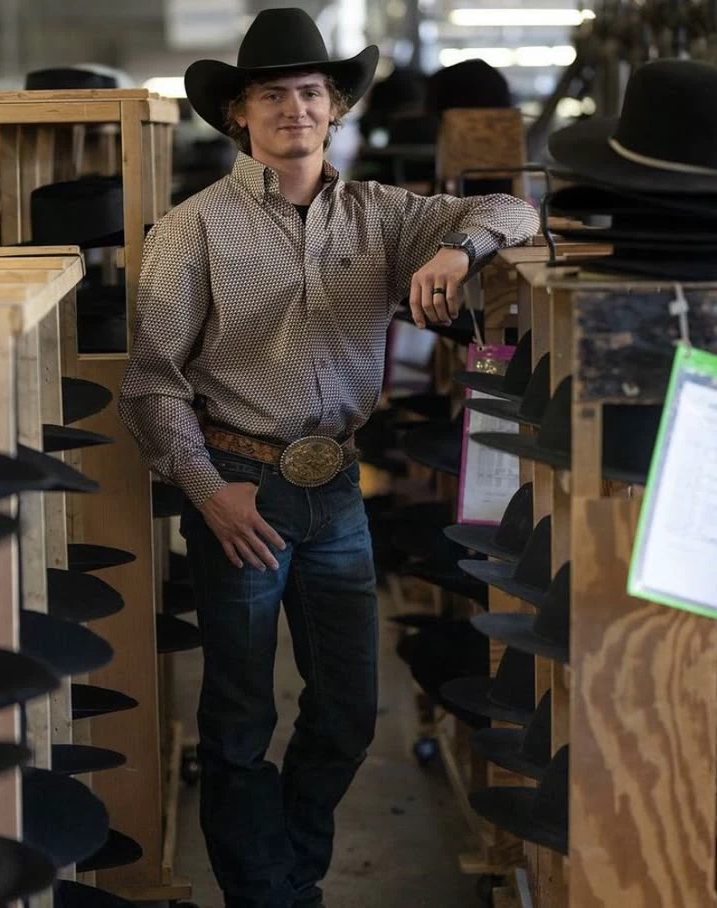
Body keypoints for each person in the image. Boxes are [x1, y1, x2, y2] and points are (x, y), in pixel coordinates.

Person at [119, 8, 538, 908]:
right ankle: (267, 896)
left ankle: (290, 874)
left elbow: (514, 208)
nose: (295, 109)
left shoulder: (383, 216)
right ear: (239, 114)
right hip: (239, 486)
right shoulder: (191, 230)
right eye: (272, 94)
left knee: (348, 711)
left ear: (336, 106)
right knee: (239, 720)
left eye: (311, 91)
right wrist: (209, 493)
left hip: (338, 485)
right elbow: (151, 386)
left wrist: (457, 252)